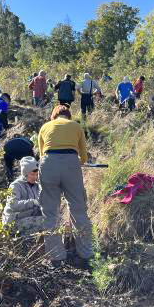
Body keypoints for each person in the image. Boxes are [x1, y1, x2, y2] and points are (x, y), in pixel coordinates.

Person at [38, 105, 91, 267]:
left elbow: (41, 154)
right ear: (68, 116)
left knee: (50, 213)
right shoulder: (76, 126)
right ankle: (85, 254)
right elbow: (83, 157)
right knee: (78, 209)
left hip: (48, 165)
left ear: (54, 117)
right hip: (71, 164)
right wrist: (74, 165)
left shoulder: (45, 127)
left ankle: (56, 257)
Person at [1, 156, 43, 234]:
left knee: (53, 219)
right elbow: (13, 205)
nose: (35, 177)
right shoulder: (15, 185)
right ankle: (24, 240)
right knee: (45, 222)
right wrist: (33, 202)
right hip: (12, 222)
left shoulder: (37, 186)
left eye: (37, 174)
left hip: (27, 218)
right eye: (32, 174)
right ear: (25, 173)